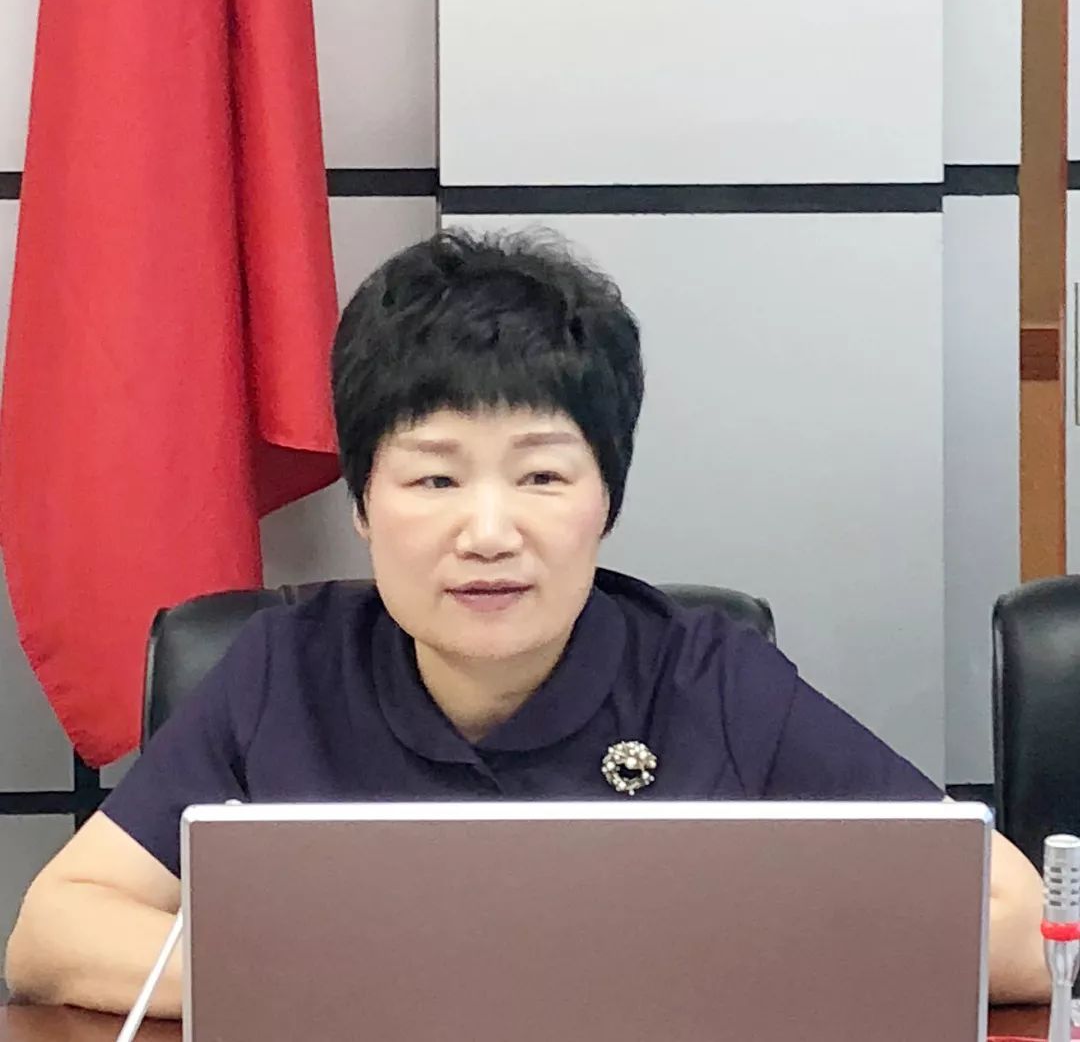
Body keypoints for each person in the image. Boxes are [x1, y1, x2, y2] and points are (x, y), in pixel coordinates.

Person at [4, 230, 1049, 1016]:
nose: (489, 532)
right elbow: (55, 929)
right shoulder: (282, 668)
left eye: (543, 476)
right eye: (434, 478)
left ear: (608, 501)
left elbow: (1018, 922)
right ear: (363, 505)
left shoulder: (710, 679)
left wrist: (662, 974)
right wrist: (337, 987)